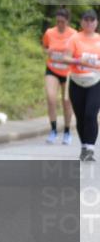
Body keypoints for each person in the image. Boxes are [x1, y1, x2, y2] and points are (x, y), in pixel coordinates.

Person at [59, 9, 100, 162]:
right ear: (82, 22)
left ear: (96, 23)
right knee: (81, 117)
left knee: (91, 114)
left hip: (95, 81)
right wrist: (79, 61)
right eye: (86, 20)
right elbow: (65, 58)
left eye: (92, 20)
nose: (89, 23)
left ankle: (90, 148)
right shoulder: (74, 38)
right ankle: (84, 147)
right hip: (76, 81)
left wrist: (95, 63)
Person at [42, 8, 75, 144]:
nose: (60, 24)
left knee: (66, 101)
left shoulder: (74, 34)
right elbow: (44, 47)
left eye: (62, 22)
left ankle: (67, 131)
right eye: (58, 21)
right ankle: (53, 130)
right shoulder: (49, 32)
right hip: (52, 69)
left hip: (68, 72)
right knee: (51, 98)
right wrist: (47, 51)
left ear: (67, 21)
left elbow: (78, 51)